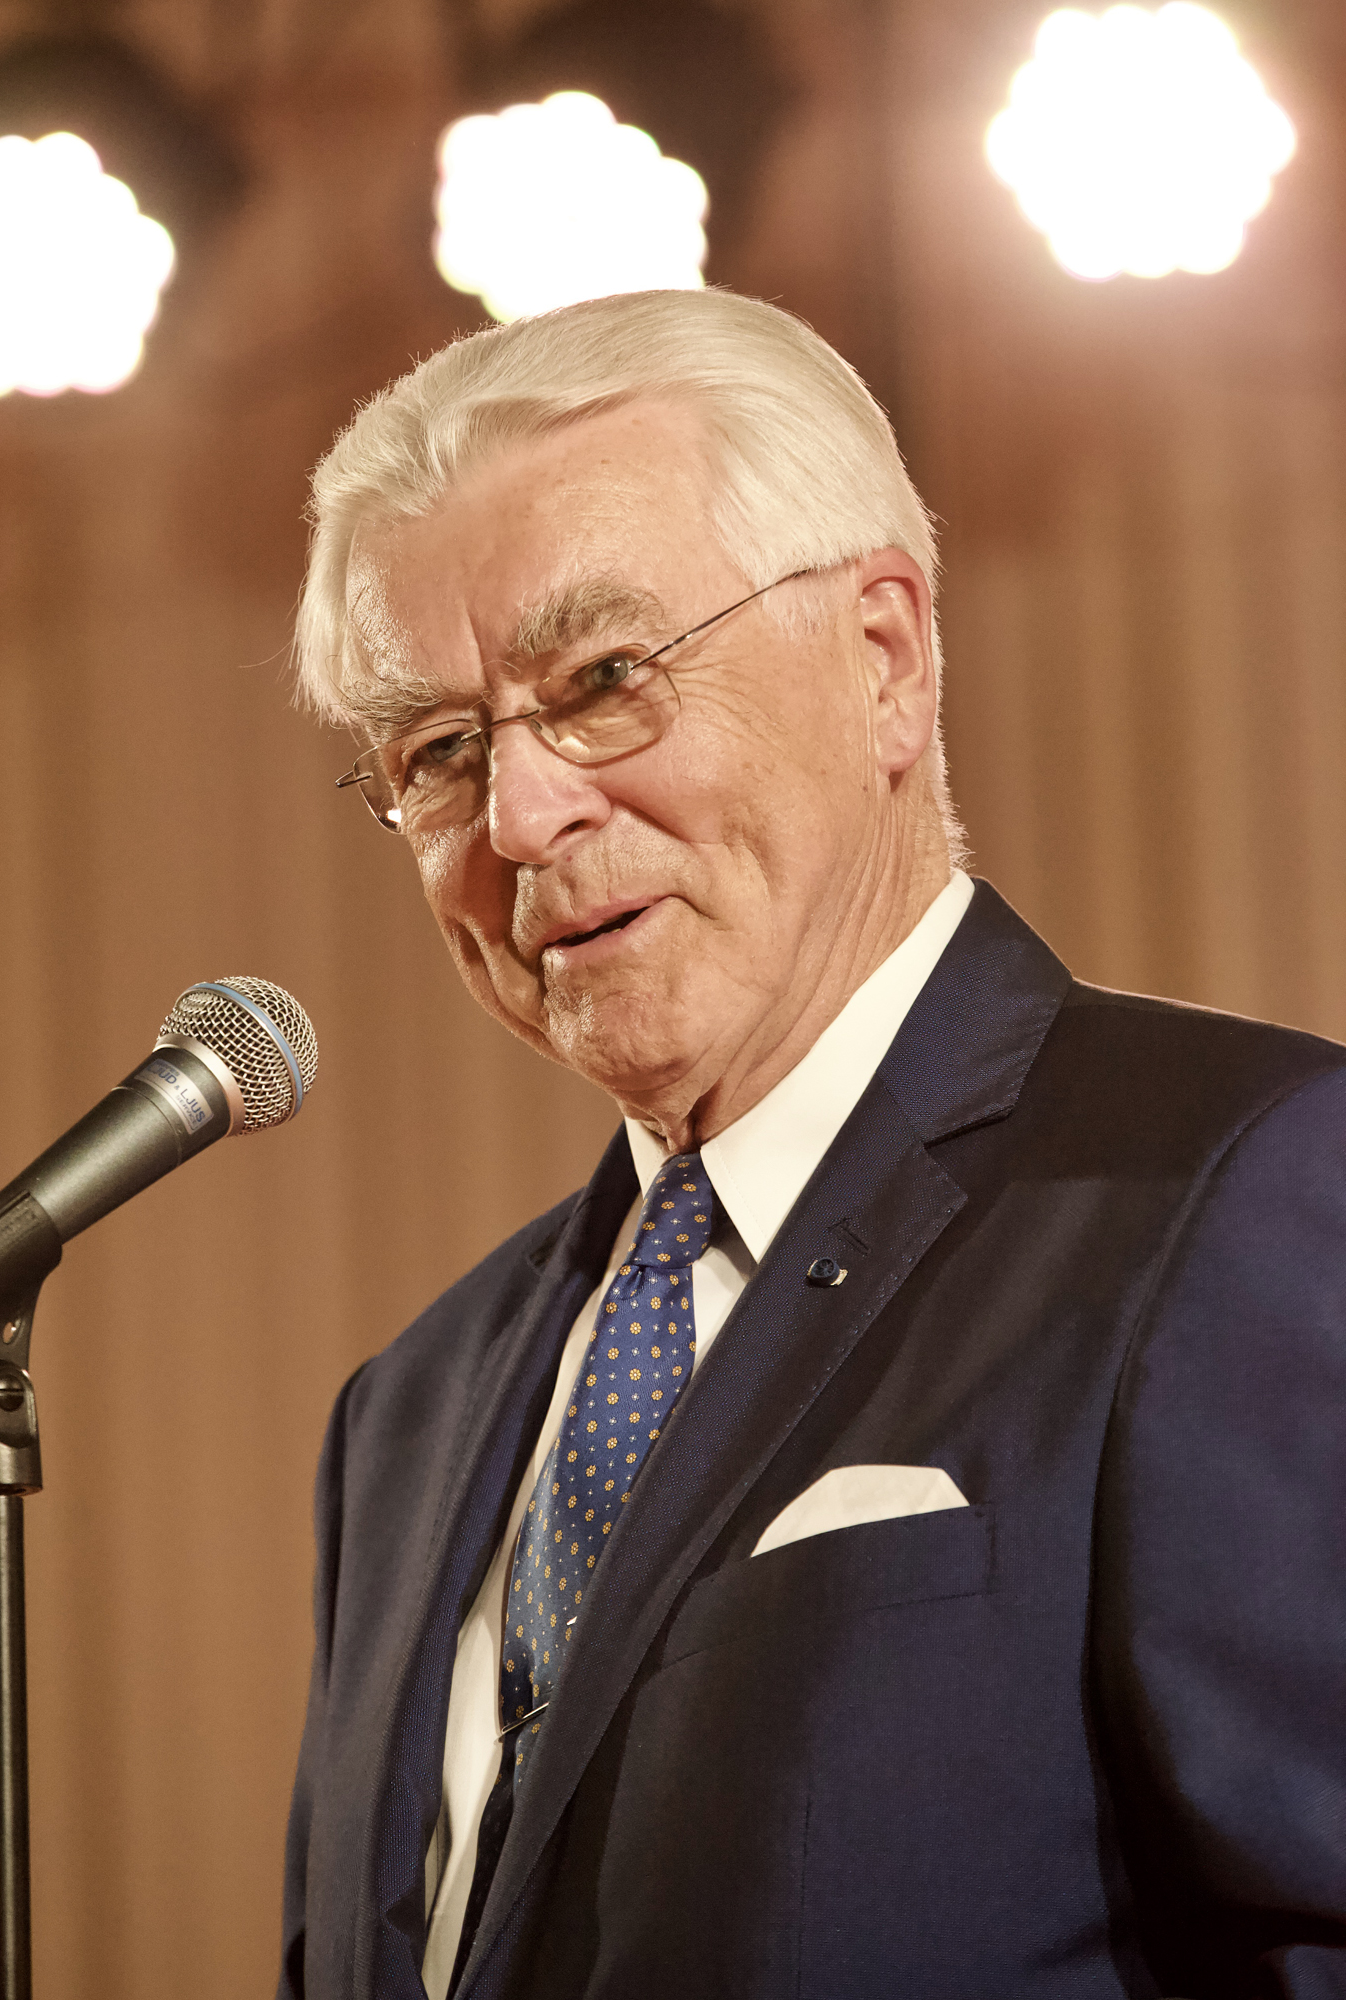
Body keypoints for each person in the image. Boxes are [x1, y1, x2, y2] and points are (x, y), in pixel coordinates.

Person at [278, 289, 1346, 2000]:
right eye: (442, 753)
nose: (524, 817)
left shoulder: (1244, 1194)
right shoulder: (402, 1415)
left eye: (605, 682)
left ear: (885, 660)